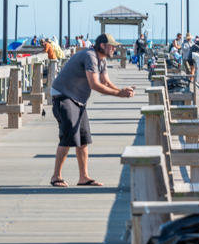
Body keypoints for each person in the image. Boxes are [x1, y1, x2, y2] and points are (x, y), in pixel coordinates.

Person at [48, 34, 135, 187]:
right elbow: (94, 84)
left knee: (83, 139)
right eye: (112, 45)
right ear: (102, 45)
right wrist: (119, 94)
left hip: (78, 99)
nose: (114, 48)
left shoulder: (101, 59)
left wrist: (121, 90)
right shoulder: (90, 56)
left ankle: (84, 177)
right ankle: (56, 176)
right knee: (68, 136)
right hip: (63, 96)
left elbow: (105, 81)